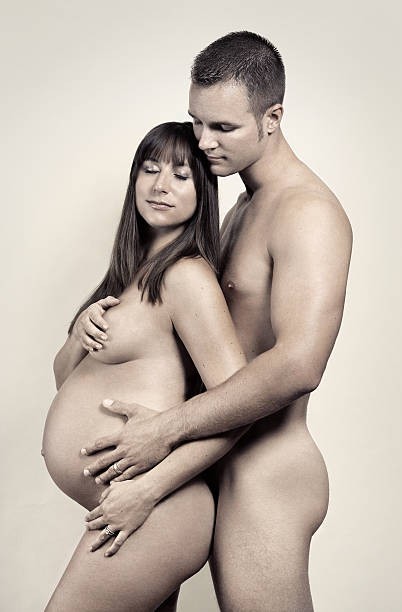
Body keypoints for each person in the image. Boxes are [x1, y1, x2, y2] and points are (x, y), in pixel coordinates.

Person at [82, 32, 353, 611]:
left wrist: (166, 430)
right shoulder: (240, 209)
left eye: (223, 127)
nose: (203, 142)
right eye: (196, 122)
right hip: (209, 458)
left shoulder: (307, 212)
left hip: (265, 468)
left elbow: (299, 365)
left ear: (272, 118)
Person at [42, 121, 249, 611]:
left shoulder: (186, 276)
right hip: (132, 504)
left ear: (203, 190)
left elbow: (238, 407)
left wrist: (147, 491)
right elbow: (64, 381)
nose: (160, 185)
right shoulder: (131, 273)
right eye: (150, 169)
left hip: (158, 506)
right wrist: (77, 336)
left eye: (181, 175)